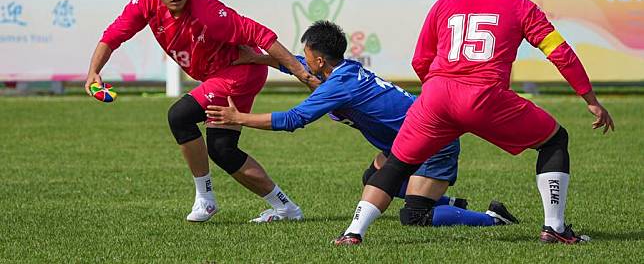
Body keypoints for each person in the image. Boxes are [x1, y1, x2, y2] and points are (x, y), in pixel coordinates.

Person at [333, 0, 615, 246]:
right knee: (555, 139)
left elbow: (420, 60)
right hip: (486, 98)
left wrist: (440, 95)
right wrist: (589, 99)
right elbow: (559, 52)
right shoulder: (521, 5)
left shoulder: (444, 4)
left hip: (437, 98)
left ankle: (353, 232)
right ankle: (555, 228)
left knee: (399, 162)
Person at [206, 20, 519, 228]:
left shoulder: (339, 85)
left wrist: (238, 119)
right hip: (409, 140)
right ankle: (449, 203)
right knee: (374, 176)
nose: (303, 59)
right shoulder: (342, 70)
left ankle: (492, 218)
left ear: (319, 60)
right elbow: (296, 67)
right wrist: (255, 58)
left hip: (435, 142)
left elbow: (293, 119)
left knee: (414, 217)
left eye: (307, 55)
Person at [84, 0, 318, 223]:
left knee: (179, 116)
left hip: (238, 73)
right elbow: (113, 35)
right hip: (220, 77)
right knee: (223, 151)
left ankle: (205, 200)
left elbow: (260, 34)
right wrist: (93, 72)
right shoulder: (145, 3)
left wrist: (300, 73)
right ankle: (286, 208)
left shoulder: (207, 11)